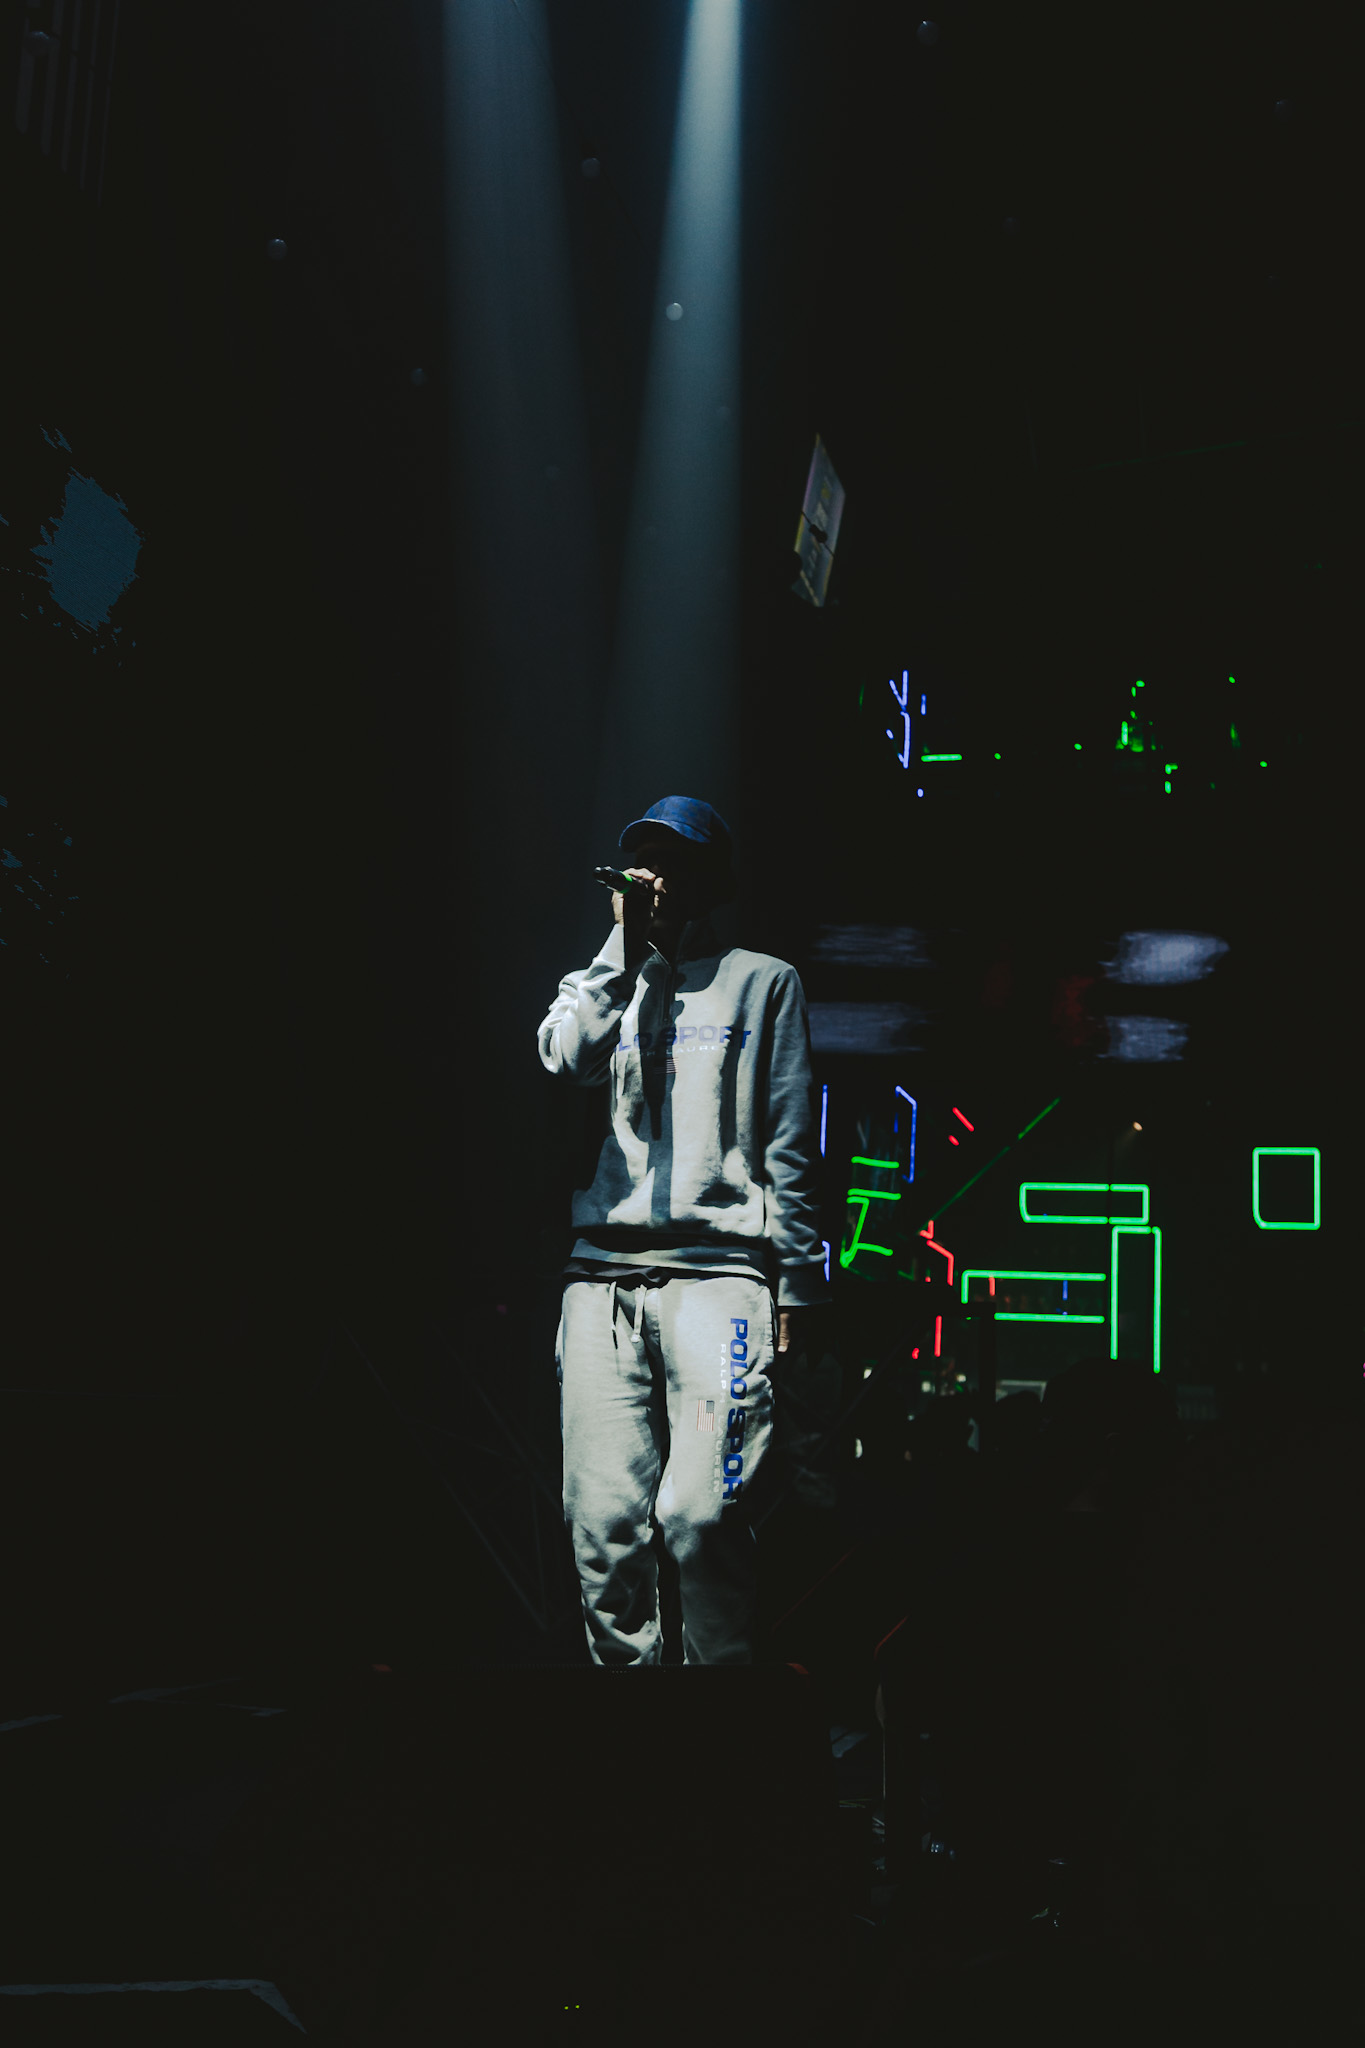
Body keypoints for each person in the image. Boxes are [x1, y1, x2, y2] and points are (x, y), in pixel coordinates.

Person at [537, 795, 831, 1665]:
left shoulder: (762, 981)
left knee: (701, 1513)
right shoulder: (600, 983)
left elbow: (788, 1138)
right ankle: (635, 1729)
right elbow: (564, 1058)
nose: (654, 876)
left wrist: (799, 1283)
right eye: (644, 859)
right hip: (599, 1281)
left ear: (708, 881)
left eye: (673, 862)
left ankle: (720, 1716)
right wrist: (619, 948)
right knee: (599, 1526)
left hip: (720, 1279)